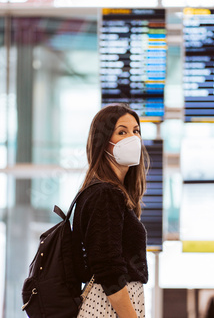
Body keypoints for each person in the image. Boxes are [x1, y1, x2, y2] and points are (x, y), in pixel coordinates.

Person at [71, 104, 149, 318]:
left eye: (136, 131)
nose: (132, 138)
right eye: (122, 132)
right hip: (107, 307)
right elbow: (108, 267)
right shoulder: (105, 193)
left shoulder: (111, 192)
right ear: (104, 142)